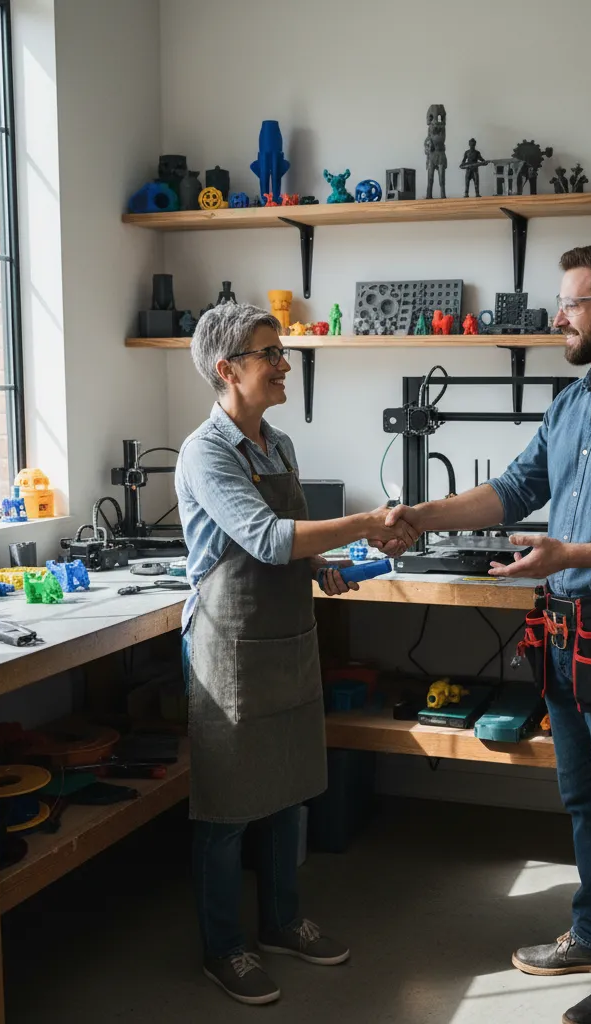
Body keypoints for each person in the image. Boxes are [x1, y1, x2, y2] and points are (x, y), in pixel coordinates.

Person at [385, 244, 591, 1024]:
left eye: (571, 303)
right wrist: (419, 514)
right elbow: (513, 490)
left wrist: (572, 553)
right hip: (562, 630)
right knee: (581, 800)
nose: (557, 317)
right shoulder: (573, 404)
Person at [175, 303, 418, 1006]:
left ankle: (281, 920)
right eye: (269, 353)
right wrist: (370, 521)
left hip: (285, 634)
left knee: (289, 789)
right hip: (230, 645)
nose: (285, 364)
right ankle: (223, 947)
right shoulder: (207, 451)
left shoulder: (276, 443)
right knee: (227, 808)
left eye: (281, 351)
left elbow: (293, 547)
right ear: (227, 371)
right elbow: (269, 537)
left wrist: (325, 567)